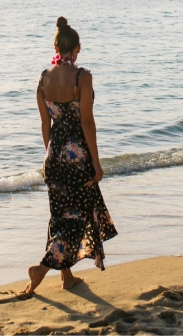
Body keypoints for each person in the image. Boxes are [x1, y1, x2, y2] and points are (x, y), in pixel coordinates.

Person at [23, 17, 117, 295]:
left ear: (55, 46)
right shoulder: (82, 77)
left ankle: (67, 278)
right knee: (79, 215)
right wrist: (97, 163)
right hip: (78, 157)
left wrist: (51, 153)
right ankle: (42, 268)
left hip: (53, 156)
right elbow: (87, 122)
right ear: (77, 48)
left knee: (61, 215)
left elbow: (44, 124)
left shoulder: (42, 78)